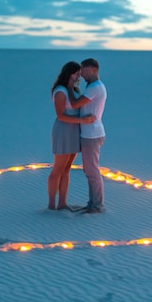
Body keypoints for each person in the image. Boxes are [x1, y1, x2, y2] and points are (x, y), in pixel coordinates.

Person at [47, 61, 96, 210]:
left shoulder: (73, 89)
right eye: (77, 73)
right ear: (69, 74)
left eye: (80, 73)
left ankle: (62, 203)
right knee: (58, 169)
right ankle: (51, 205)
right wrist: (83, 120)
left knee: (67, 168)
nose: (79, 76)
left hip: (74, 130)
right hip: (63, 130)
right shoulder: (60, 91)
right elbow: (61, 115)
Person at [68, 58, 107, 213]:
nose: (81, 76)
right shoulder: (95, 86)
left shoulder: (95, 87)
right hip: (90, 133)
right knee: (90, 171)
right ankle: (93, 204)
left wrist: (69, 87)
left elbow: (75, 104)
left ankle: (97, 206)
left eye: (82, 71)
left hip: (92, 134)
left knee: (92, 171)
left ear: (90, 70)